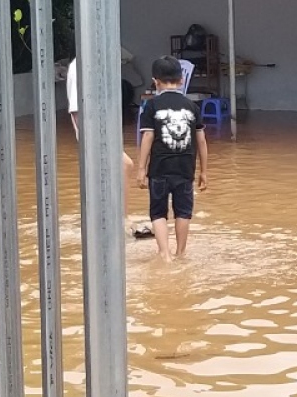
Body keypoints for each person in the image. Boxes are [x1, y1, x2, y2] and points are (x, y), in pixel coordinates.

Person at [65, 56, 153, 239]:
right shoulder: (80, 67)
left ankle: (108, 221)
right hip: (94, 137)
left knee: (114, 171)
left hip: (102, 135)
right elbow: (75, 111)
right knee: (124, 166)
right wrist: (90, 139)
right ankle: (121, 220)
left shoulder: (93, 66)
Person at [135, 56, 208, 261]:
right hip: (185, 169)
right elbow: (201, 141)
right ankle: (180, 253)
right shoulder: (192, 107)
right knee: (183, 211)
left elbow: (148, 136)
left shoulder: (152, 106)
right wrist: (203, 171)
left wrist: (141, 169)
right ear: (182, 81)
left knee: (158, 212)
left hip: (159, 169)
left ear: (155, 81)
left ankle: (165, 254)